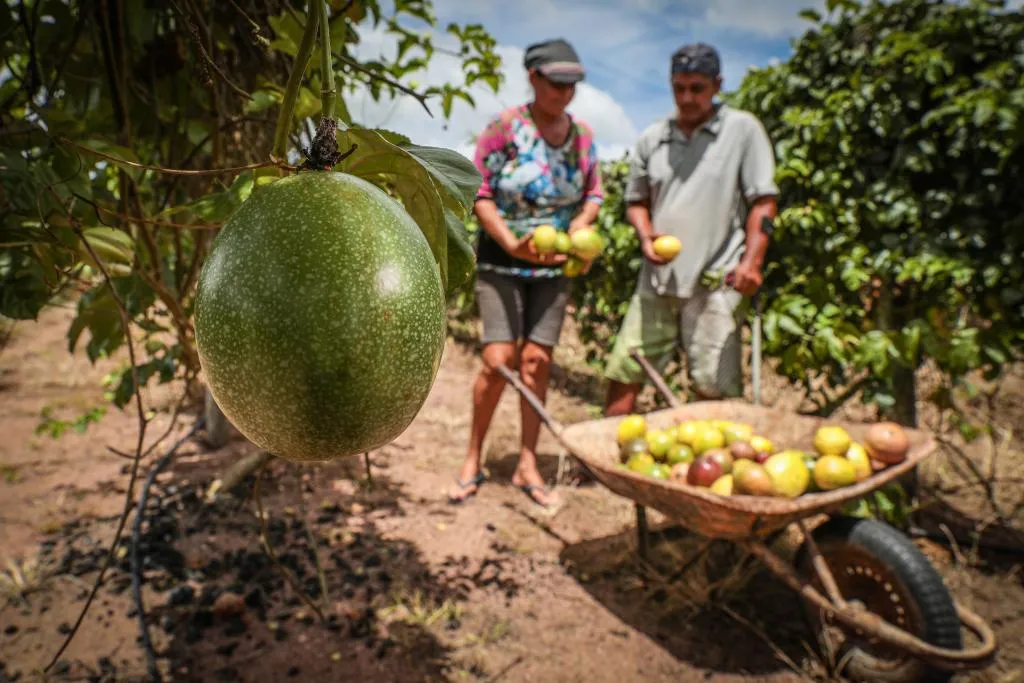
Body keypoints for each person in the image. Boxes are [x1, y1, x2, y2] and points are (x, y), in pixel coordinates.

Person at [448, 38, 604, 508]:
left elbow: (593, 194)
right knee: (499, 361)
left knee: (537, 364)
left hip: (556, 267)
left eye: (572, 84)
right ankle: (472, 457)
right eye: (556, 82)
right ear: (533, 77)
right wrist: (509, 239)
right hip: (502, 261)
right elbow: (478, 191)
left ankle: (527, 462)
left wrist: (578, 229)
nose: (565, 92)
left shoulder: (582, 138)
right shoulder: (504, 129)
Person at [602, 43, 779, 416]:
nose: (686, 97)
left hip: (715, 282)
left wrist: (752, 263)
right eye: (679, 87)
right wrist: (645, 234)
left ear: (717, 85)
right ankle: (605, 462)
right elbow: (636, 202)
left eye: (697, 88)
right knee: (625, 369)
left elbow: (763, 201)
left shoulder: (742, 131)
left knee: (712, 385)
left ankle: (708, 468)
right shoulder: (654, 137)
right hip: (658, 280)